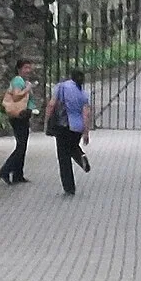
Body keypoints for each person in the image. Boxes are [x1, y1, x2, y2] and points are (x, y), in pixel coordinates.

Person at [44, 68, 92, 196]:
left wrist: (47, 120)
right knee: (72, 146)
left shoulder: (61, 87)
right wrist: (86, 132)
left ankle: (69, 187)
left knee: (63, 157)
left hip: (63, 126)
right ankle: (80, 155)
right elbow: (86, 113)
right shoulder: (84, 93)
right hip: (77, 127)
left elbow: (52, 104)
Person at [0, 61, 35, 185]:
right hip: (18, 116)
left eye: (30, 67)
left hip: (22, 115)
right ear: (19, 69)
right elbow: (15, 96)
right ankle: (5, 170)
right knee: (20, 146)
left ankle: (18, 174)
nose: (28, 70)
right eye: (26, 67)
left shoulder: (22, 81)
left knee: (22, 146)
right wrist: (28, 89)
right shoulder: (18, 80)